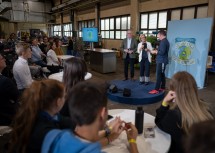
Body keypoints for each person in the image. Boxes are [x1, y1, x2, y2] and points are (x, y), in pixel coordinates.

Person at [42, 82, 139, 153]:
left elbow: (83, 142)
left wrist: (110, 133)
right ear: (103, 113)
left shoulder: (54, 138)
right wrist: (132, 140)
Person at [9, 79, 76, 153]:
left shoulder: (33, 114)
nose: (65, 99)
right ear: (58, 102)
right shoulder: (47, 134)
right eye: (64, 96)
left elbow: (63, 120)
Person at [155, 71, 214, 153]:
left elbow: (159, 123)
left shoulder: (173, 116)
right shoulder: (206, 109)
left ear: (174, 92)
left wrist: (165, 102)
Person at [0, 52, 19, 125]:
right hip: (7, 119)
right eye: (2, 58)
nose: (5, 59)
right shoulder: (5, 81)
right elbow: (18, 97)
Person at [149, 30, 169, 94]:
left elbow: (162, 52)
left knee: (158, 75)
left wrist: (155, 52)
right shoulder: (164, 41)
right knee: (162, 74)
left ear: (161, 35)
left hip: (161, 61)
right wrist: (157, 50)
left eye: (158, 35)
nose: (158, 36)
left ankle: (156, 89)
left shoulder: (163, 42)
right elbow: (162, 50)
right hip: (162, 60)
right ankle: (162, 87)